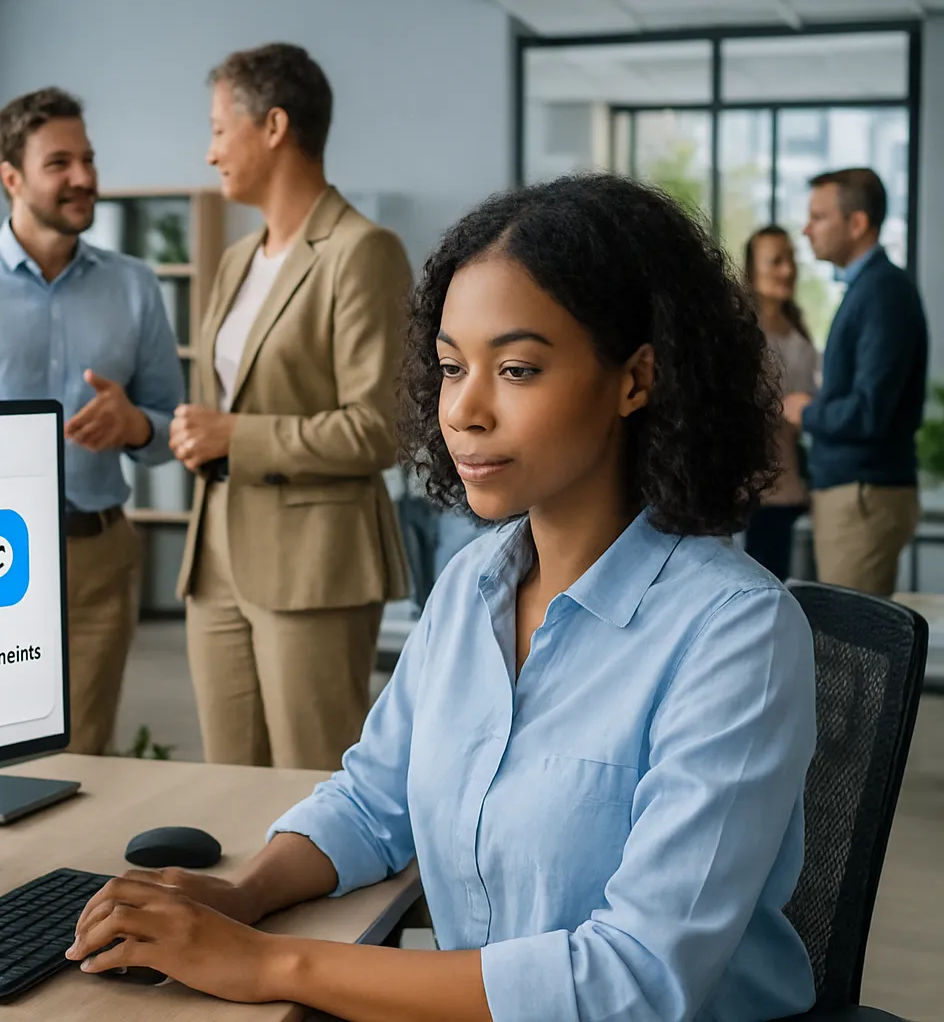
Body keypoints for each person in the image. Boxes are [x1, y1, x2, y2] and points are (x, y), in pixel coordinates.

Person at [68, 174, 818, 1020]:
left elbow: (633, 982)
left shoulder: (736, 634)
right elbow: (373, 799)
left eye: (519, 369)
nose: (464, 409)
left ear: (635, 380)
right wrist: (243, 896)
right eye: (453, 367)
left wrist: (272, 965)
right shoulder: (474, 585)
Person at [0, 88, 183, 756]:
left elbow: (170, 430)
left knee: (82, 759)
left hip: (97, 558)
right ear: (11, 177)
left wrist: (135, 424)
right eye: (60, 163)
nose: (83, 177)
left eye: (88, 159)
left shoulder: (135, 286)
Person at [174, 43, 410, 771]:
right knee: (228, 787)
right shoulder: (236, 260)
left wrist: (236, 435)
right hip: (214, 559)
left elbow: (380, 428)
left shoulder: (361, 251)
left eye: (219, 129)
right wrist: (197, 433)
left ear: (273, 126)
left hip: (312, 565)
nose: (210, 151)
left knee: (313, 790)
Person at [785, 168, 928, 596]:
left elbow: (869, 413)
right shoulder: (869, 288)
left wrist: (804, 410)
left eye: (819, 216)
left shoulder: (882, 291)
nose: (807, 229)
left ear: (857, 223)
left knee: (854, 655)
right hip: (856, 493)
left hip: (863, 496)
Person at [743, 224, 818, 580]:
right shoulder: (740, 333)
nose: (787, 269)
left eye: (790, 259)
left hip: (788, 487)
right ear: (752, 270)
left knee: (782, 583)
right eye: (775, 261)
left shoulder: (799, 332)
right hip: (747, 489)